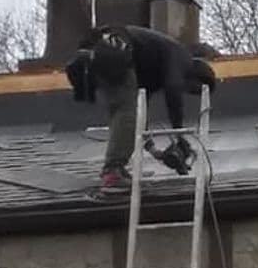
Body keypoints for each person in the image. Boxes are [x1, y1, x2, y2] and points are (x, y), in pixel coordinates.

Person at [65, 25, 216, 194]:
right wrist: (179, 135)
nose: (187, 91)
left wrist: (154, 151)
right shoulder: (182, 58)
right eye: (193, 90)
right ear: (197, 78)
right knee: (126, 112)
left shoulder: (151, 70)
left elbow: (140, 112)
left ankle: (116, 168)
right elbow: (173, 90)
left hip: (98, 53)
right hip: (114, 50)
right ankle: (113, 171)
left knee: (124, 113)